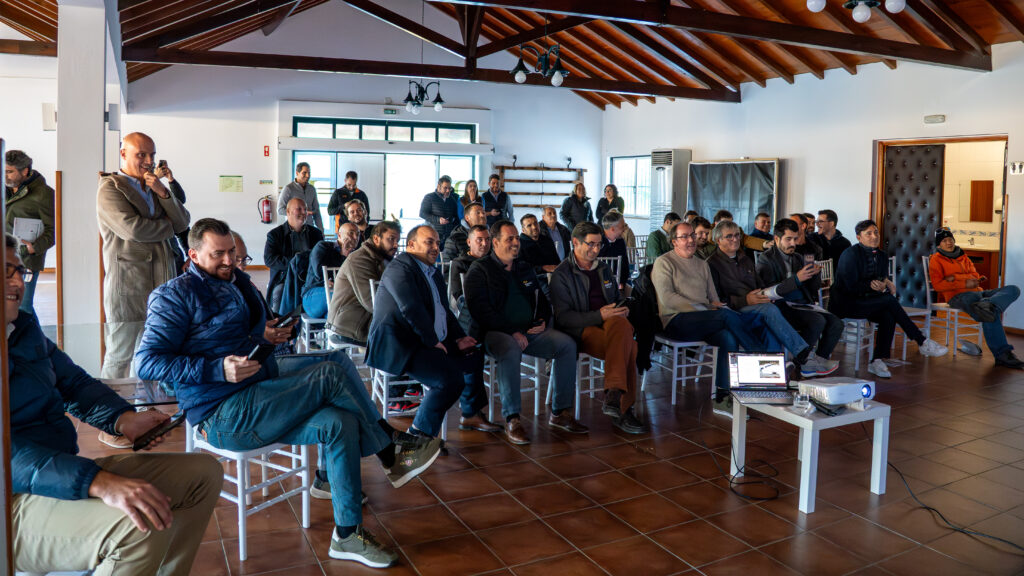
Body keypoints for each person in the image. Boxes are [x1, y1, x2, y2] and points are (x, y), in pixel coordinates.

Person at [136, 218, 441, 569]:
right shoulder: (175, 295)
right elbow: (147, 363)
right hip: (223, 411)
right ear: (193, 255)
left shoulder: (240, 282)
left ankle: (347, 534)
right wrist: (217, 368)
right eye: (217, 254)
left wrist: (272, 332)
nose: (228, 260)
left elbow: (252, 333)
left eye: (232, 252)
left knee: (339, 399)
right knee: (328, 375)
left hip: (262, 383)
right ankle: (390, 452)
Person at [6, 233, 221, 576]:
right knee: (139, 526)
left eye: (19, 270)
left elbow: (72, 383)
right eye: (6, 271)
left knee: (203, 474)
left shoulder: (22, 327)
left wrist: (123, 419)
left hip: (56, 473)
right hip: (12, 502)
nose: (18, 280)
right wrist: (98, 482)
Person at [366, 225, 497, 437]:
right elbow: (411, 308)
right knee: (449, 380)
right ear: (410, 245)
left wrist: (459, 338)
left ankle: (470, 413)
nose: (436, 247)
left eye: (437, 242)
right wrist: (433, 342)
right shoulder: (400, 268)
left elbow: (444, 311)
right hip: (402, 344)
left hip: (429, 341)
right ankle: (417, 436)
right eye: (429, 242)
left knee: (473, 354)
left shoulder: (433, 273)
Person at [464, 220, 587, 444]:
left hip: (529, 331)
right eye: (510, 239)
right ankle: (513, 419)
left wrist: (542, 319)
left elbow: (541, 297)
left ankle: (560, 412)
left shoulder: (523, 267)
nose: (515, 243)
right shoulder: (480, 269)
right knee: (511, 349)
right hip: (495, 333)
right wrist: (512, 331)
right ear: (496, 242)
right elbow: (480, 311)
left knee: (567, 345)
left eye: (516, 239)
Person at [97, 132, 190, 384]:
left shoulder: (153, 186)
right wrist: (168, 225)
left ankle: (143, 408)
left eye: (152, 155)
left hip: (162, 286)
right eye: (141, 155)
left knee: (148, 355)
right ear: (123, 154)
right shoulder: (110, 188)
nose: (149, 161)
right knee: (119, 356)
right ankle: (110, 413)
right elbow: (134, 230)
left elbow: (183, 221)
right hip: (128, 286)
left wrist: (162, 192)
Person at [651, 221, 762, 416]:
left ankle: (722, 396)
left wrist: (710, 307)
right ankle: (759, 355)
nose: (690, 240)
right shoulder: (664, 262)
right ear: (673, 241)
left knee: (728, 336)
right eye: (684, 236)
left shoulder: (702, 264)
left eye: (692, 235)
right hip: (675, 319)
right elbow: (668, 298)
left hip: (706, 318)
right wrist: (703, 308)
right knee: (727, 317)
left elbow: (714, 299)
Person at [709, 220, 839, 378]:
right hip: (734, 310)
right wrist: (746, 300)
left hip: (760, 303)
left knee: (829, 321)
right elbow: (716, 299)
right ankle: (803, 354)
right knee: (772, 310)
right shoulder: (711, 264)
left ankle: (777, 370)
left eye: (737, 235)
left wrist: (767, 295)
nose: (735, 239)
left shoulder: (745, 259)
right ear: (718, 240)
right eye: (729, 237)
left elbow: (760, 285)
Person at [550, 221, 645, 434]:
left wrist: (622, 308)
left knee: (622, 325)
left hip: (609, 325)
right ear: (575, 242)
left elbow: (614, 299)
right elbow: (563, 318)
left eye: (599, 245)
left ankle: (614, 396)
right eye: (590, 244)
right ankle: (622, 407)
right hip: (580, 330)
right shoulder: (562, 274)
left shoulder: (603, 269)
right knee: (631, 347)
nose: (595, 250)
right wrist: (598, 315)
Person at [832, 219, 948, 378]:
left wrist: (884, 283)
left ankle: (877, 360)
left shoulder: (881, 255)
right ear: (859, 237)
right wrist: (873, 286)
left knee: (888, 314)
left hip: (868, 301)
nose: (874, 236)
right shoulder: (849, 254)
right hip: (846, 302)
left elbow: (879, 277)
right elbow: (848, 286)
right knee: (888, 300)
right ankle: (921, 340)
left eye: (876, 232)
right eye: (868, 234)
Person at [756, 218, 844, 376]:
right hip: (781, 306)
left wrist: (814, 275)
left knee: (837, 323)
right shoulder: (766, 259)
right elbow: (770, 291)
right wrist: (797, 279)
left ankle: (817, 360)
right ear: (776, 239)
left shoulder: (797, 257)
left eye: (795, 239)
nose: (793, 244)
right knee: (817, 321)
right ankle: (802, 361)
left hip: (802, 304)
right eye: (788, 239)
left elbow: (813, 288)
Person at [929, 227, 1022, 369]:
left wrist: (954, 278)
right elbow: (938, 285)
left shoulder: (963, 256)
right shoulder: (936, 260)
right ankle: (1003, 354)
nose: (949, 243)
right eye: (944, 240)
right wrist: (965, 281)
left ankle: (988, 303)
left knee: (1012, 290)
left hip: (979, 293)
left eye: (950, 239)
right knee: (987, 311)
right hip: (958, 297)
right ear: (938, 245)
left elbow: (975, 276)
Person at [327, 220, 401, 347]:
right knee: (406, 338)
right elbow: (373, 302)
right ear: (377, 239)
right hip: (349, 327)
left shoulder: (383, 259)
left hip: (367, 321)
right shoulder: (360, 259)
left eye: (397, 241)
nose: (396, 245)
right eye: (391, 239)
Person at [5, 149, 55, 312]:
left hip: (25, 262)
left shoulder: (44, 194)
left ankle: (37, 339)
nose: (5, 176)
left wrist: (33, 247)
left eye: (10, 172)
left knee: (23, 309)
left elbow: (53, 230)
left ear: (25, 171)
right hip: (4, 258)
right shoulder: (4, 189)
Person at [264, 197, 324, 312]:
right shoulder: (275, 235)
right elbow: (270, 260)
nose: (303, 213)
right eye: (299, 209)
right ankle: (280, 326)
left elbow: (322, 257)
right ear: (288, 212)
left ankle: (316, 327)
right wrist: (296, 263)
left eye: (305, 210)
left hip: (311, 278)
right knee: (279, 292)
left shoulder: (315, 233)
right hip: (285, 278)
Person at [302, 222, 359, 319]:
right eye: (351, 233)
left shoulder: (356, 256)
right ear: (339, 235)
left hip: (337, 298)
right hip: (314, 295)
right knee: (346, 296)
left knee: (342, 318)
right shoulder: (323, 247)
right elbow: (321, 275)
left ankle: (333, 332)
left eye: (357, 234)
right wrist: (343, 255)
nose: (355, 237)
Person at [449, 224, 490, 322]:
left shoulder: (494, 262)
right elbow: (459, 296)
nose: (484, 243)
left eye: (488, 239)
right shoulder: (459, 264)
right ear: (469, 242)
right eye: (479, 240)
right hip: (473, 312)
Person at [278, 162, 324, 230]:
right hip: (293, 229)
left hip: (309, 228)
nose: (308, 175)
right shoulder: (288, 188)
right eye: (304, 173)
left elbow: (316, 211)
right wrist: (300, 213)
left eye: (309, 173)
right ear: (297, 173)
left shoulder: (312, 189)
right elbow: (280, 210)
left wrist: (321, 230)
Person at [419, 175, 460, 247]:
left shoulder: (452, 200)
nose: (448, 191)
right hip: (433, 235)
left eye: (449, 188)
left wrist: (451, 221)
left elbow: (455, 217)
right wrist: (438, 219)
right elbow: (422, 213)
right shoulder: (429, 197)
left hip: (448, 237)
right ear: (439, 186)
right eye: (445, 188)